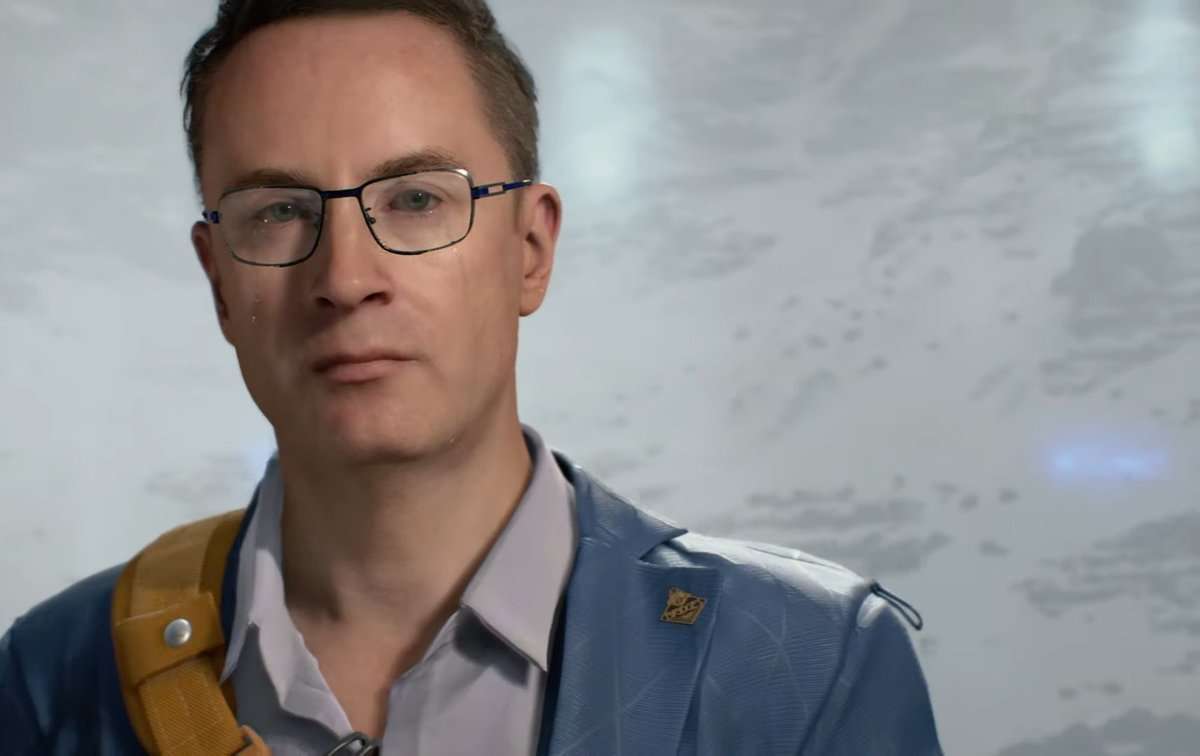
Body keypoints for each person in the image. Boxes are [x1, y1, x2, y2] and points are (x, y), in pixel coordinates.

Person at [0, 1, 944, 753]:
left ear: (530, 249)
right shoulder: (56, 678)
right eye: (280, 211)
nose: (346, 278)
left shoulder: (808, 666)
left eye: (415, 199)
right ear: (218, 282)